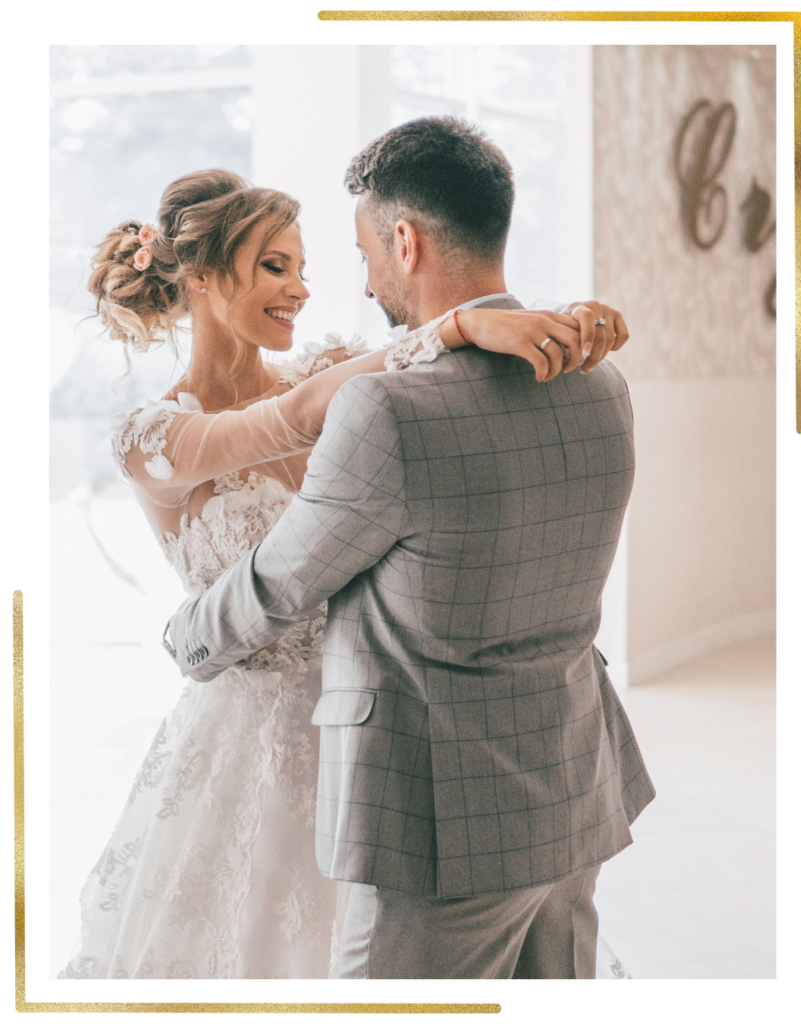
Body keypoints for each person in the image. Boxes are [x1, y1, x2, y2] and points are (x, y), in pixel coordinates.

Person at [60, 167, 622, 980]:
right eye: (273, 267)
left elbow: (440, 385)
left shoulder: (331, 367)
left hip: (382, 718)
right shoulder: (158, 438)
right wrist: (462, 324)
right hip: (255, 734)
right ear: (205, 278)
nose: (301, 290)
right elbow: (289, 421)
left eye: (301, 267)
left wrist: (565, 322)